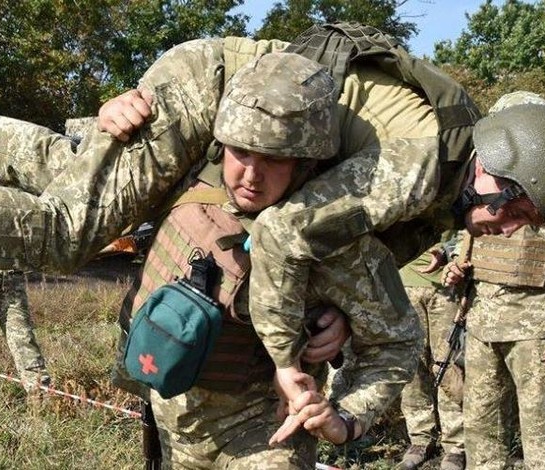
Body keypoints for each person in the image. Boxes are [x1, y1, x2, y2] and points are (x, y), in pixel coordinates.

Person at [0, 24, 545, 450]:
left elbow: (349, 255)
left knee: (78, 169)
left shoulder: (444, 176)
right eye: (515, 209)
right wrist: (286, 362)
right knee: (72, 228)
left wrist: (337, 329)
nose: (508, 228)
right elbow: (283, 242)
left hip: (267, 118)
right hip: (219, 93)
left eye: (525, 221)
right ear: (497, 165)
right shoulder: (418, 166)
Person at [113, 51, 365, 467]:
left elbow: (393, 337)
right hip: (169, 412)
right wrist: (115, 113)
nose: (251, 174)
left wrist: (344, 329)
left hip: (260, 434)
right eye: (242, 152)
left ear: (304, 164)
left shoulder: (327, 231)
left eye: (274, 158)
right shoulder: (186, 172)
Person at [441, 92, 545, 469]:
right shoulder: (486, 185)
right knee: (480, 432)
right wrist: (456, 265)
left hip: (535, 331)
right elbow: (468, 239)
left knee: (542, 438)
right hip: (482, 323)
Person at [396, 237, 465, 470]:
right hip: (403, 283)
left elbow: (472, 227)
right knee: (411, 366)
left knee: (448, 366)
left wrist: (454, 256)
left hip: (448, 287)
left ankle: (456, 444)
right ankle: (420, 438)